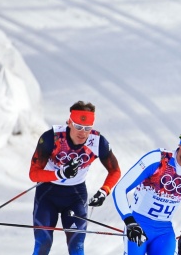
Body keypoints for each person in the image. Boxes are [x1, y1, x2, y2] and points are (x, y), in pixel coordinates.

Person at [28, 100, 122, 255]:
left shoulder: (98, 142)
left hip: (75, 196)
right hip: (47, 194)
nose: (83, 132)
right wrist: (59, 174)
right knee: (43, 243)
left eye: (87, 128)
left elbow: (115, 171)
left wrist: (104, 191)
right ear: (69, 123)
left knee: (76, 247)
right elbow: (33, 174)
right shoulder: (52, 138)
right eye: (78, 126)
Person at [112, 119, 181, 255]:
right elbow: (120, 189)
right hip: (139, 223)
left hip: (164, 231)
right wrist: (130, 222)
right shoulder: (157, 160)